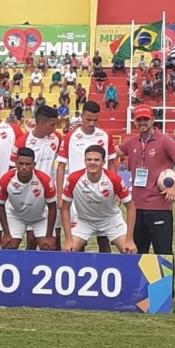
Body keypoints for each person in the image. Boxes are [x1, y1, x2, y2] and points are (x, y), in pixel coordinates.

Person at [116, 104, 175, 255]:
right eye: (139, 120)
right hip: (136, 208)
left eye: (145, 119)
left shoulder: (165, 141)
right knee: (136, 254)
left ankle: (163, 274)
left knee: (163, 254)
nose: (142, 122)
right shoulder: (132, 142)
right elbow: (111, 154)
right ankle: (138, 273)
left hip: (160, 208)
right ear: (134, 122)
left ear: (152, 120)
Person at [57, 101, 116, 253]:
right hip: (78, 194)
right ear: (82, 116)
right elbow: (61, 166)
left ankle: (106, 267)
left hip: (102, 192)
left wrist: (115, 190)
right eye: (88, 119)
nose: (91, 123)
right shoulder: (70, 137)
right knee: (78, 240)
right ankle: (78, 267)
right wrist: (59, 194)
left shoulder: (105, 136)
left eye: (95, 120)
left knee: (104, 240)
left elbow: (112, 163)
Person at [61, 145, 137, 253]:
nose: (92, 162)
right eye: (89, 159)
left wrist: (129, 239)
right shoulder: (73, 178)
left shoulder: (114, 179)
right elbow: (64, 208)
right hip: (84, 220)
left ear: (103, 162)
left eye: (96, 160)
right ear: (84, 161)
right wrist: (68, 240)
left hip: (111, 220)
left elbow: (131, 207)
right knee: (68, 251)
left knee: (130, 251)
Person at [0, 147, 58, 250]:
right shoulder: (6, 179)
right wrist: (6, 233)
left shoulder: (45, 180)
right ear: (16, 164)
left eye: (28, 164)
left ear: (34, 165)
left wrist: (49, 235)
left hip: (40, 218)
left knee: (47, 248)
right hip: (16, 216)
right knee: (8, 246)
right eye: (21, 164)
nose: (24, 167)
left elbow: (52, 207)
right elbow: (0, 205)